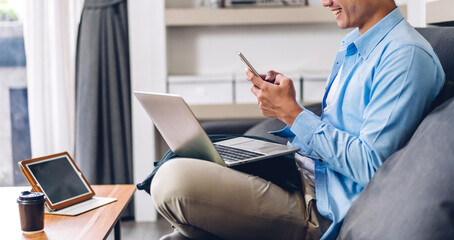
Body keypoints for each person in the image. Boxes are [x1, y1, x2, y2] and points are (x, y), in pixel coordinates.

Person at [150, 0, 445, 239]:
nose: (325, 2)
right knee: (185, 160)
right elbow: (332, 130)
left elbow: (370, 166)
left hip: (319, 205)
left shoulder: (405, 56)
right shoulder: (355, 44)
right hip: (299, 173)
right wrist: (288, 108)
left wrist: (292, 114)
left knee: (171, 182)